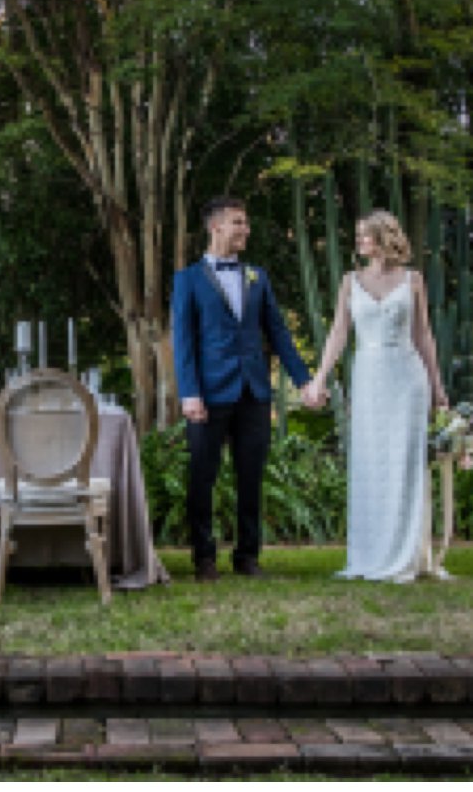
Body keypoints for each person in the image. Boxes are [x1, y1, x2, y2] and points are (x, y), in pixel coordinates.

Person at [171, 196, 314, 581]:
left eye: (245, 223)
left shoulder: (258, 277)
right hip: (207, 395)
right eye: (239, 223)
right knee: (203, 476)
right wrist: (189, 393)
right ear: (215, 226)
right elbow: (183, 342)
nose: (245, 230)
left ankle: (247, 556)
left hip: (253, 393)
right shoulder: (187, 280)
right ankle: (204, 558)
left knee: (250, 477)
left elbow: (279, 333)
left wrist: (304, 380)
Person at [305, 209, 450, 583]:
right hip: (369, 377)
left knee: (405, 463)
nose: (359, 243)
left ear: (383, 238)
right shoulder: (351, 281)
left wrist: (437, 387)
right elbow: (338, 332)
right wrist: (320, 377)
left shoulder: (413, 280)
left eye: (364, 236)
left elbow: (424, 336)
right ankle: (370, 554)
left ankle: (407, 554)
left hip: (407, 377)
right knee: (372, 463)